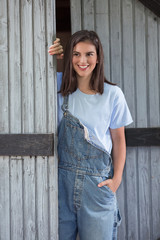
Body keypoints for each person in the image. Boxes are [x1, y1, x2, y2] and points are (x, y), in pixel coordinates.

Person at [48, 30, 133, 240]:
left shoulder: (113, 94)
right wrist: (47, 53)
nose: (82, 60)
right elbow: (29, 75)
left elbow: (119, 139)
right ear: (69, 57)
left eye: (89, 54)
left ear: (98, 57)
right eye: (76, 54)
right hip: (61, 187)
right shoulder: (57, 86)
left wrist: (116, 180)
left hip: (96, 187)